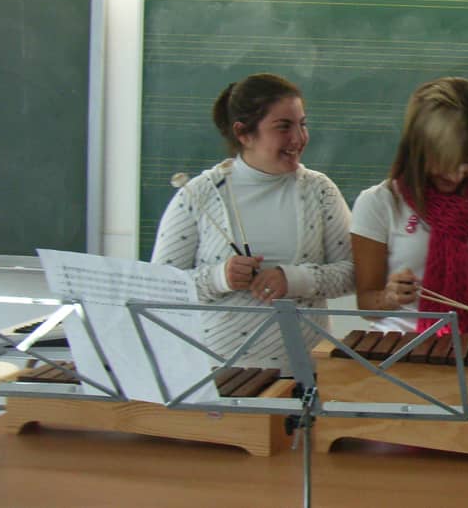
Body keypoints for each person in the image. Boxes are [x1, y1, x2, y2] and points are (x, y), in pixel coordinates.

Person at [151, 73, 354, 374]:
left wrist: (293, 279)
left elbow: (353, 273)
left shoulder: (320, 191)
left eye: (302, 124)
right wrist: (219, 277)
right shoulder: (199, 194)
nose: (298, 138)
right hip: (216, 375)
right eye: (283, 126)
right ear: (244, 133)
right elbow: (159, 288)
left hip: (305, 373)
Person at [350, 77, 468, 336]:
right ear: (418, 149)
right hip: (396, 346)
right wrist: (389, 296)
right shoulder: (378, 203)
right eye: (444, 161)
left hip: (465, 345)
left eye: (467, 161)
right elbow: (366, 304)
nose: (455, 175)